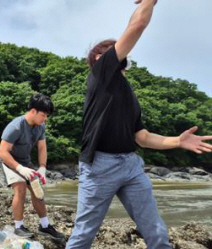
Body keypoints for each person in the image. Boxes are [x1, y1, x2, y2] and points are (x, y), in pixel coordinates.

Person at [66, 1, 212, 248]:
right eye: (115, 49)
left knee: (156, 232)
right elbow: (138, 25)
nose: (123, 52)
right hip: (100, 165)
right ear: (100, 58)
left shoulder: (127, 91)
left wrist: (177, 141)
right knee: (83, 235)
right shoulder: (101, 73)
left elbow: (141, 136)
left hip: (131, 165)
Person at [0, 94, 64, 241]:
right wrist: (20, 169)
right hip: (9, 160)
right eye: (43, 115)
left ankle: (45, 226)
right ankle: (18, 226)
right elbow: (2, 152)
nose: (45, 118)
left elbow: (42, 148)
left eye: (47, 115)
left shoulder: (40, 126)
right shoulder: (15, 126)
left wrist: (42, 168)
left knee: (37, 189)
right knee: (20, 187)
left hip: (25, 161)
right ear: (33, 111)